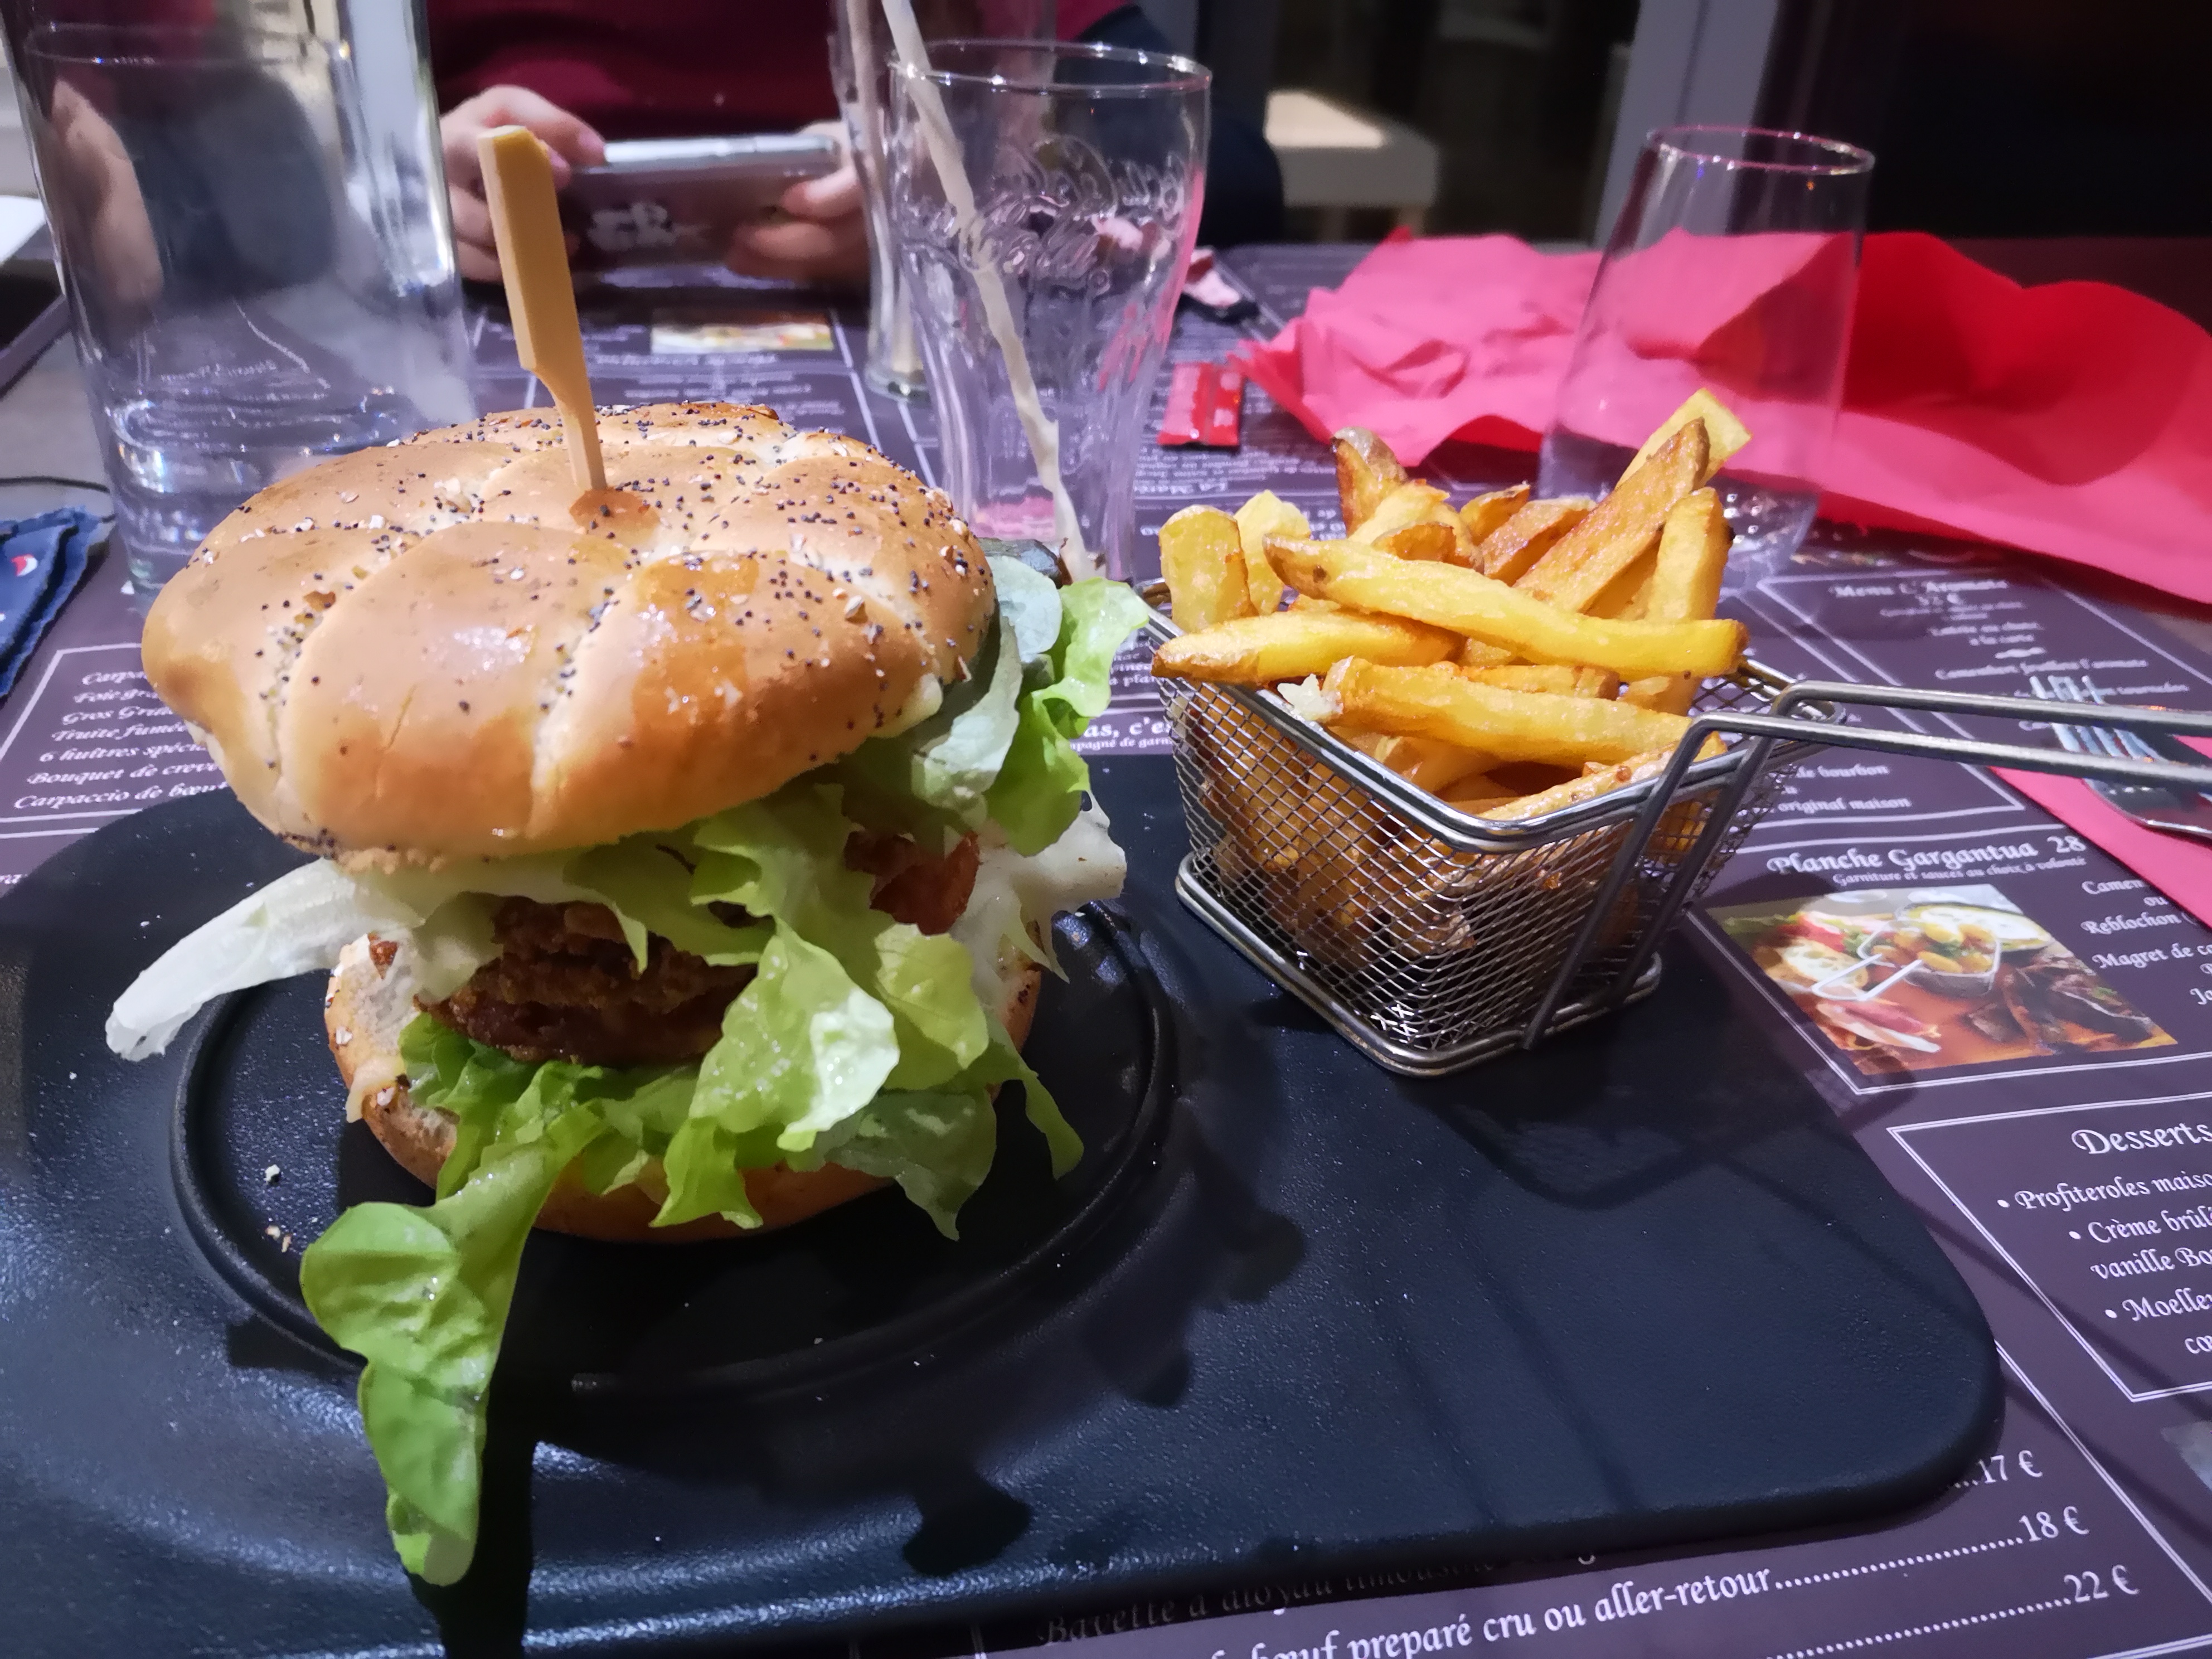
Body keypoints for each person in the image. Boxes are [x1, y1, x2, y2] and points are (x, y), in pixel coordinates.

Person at [429, 1, 1283, 284]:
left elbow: (1233, 173)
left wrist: (968, 184)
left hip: (902, 360)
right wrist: (403, 193)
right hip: (485, 339)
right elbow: (353, 173)